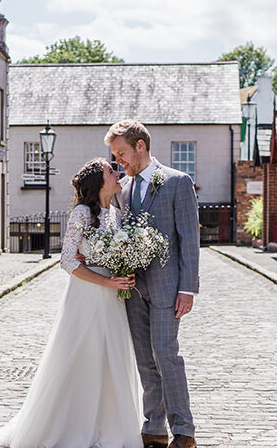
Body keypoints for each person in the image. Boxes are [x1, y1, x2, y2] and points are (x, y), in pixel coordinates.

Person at [0, 158, 143, 448]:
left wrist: (124, 271)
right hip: (86, 295)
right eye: (111, 171)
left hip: (112, 298)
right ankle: (70, 426)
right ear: (100, 182)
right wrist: (107, 282)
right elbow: (67, 261)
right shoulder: (82, 214)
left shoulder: (115, 213)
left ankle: (107, 426)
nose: (118, 173)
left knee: (112, 358)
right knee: (82, 357)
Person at [106, 119, 200, 448]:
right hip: (133, 289)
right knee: (145, 360)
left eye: (121, 153)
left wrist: (188, 288)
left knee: (166, 355)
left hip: (168, 287)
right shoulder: (125, 188)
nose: (118, 160)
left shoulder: (177, 182)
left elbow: (189, 239)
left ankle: (184, 431)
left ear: (140, 146)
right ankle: (154, 428)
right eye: (115, 155)